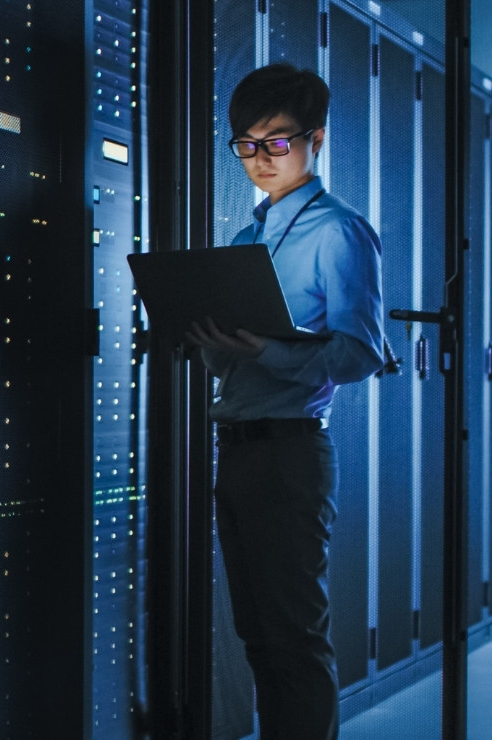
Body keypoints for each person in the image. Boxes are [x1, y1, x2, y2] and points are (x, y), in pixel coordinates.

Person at [185, 63, 385, 739]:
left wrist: (265, 353)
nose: (260, 159)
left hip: (290, 455)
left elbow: (360, 353)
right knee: (259, 638)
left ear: (315, 139)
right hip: (237, 449)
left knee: (296, 640)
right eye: (246, 143)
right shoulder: (246, 242)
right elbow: (230, 362)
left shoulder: (338, 231)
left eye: (277, 141)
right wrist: (214, 344)